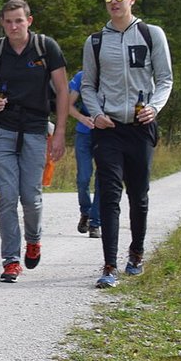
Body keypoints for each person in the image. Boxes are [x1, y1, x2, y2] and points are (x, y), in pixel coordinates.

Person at [80, 0, 173, 289]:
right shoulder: (95, 41)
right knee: (109, 195)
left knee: (139, 194)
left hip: (141, 127)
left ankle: (136, 254)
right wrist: (96, 114)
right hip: (109, 129)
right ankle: (109, 265)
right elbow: (88, 85)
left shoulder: (151, 34)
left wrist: (154, 107)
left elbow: (165, 79)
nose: (114, 2)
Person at [0, 0, 70, 283]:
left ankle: (34, 239)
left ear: (29, 21)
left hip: (35, 128)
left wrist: (60, 132)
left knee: (31, 196)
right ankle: (11, 260)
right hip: (1, 129)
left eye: (19, 20)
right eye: (8, 21)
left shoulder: (45, 48)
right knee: (7, 196)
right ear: (2, 23)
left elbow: (63, 91)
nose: (14, 26)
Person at [66, 68, 101, 238]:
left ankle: (95, 222)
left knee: (103, 178)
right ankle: (85, 212)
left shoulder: (114, 73)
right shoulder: (82, 76)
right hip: (85, 131)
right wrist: (82, 118)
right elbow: (67, 104)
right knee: (83, 177)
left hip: (107, 133)